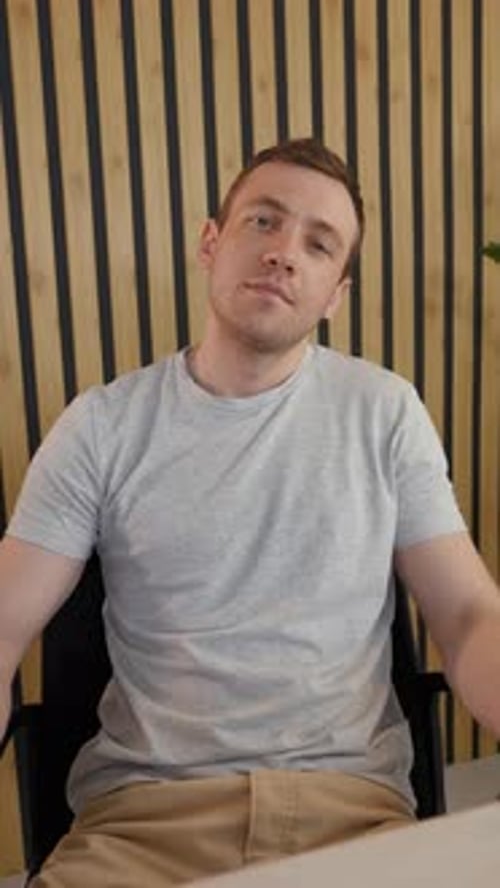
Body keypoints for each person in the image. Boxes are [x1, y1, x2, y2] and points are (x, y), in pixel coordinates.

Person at [1, 138, 500, 887]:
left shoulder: (385, 412)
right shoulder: (101, 427)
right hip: (144, 824)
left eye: (319, 243)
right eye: (262, 222)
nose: (284, 252)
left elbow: (466, 613)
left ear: (335, 292)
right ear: (213, 242)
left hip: (352, 816)